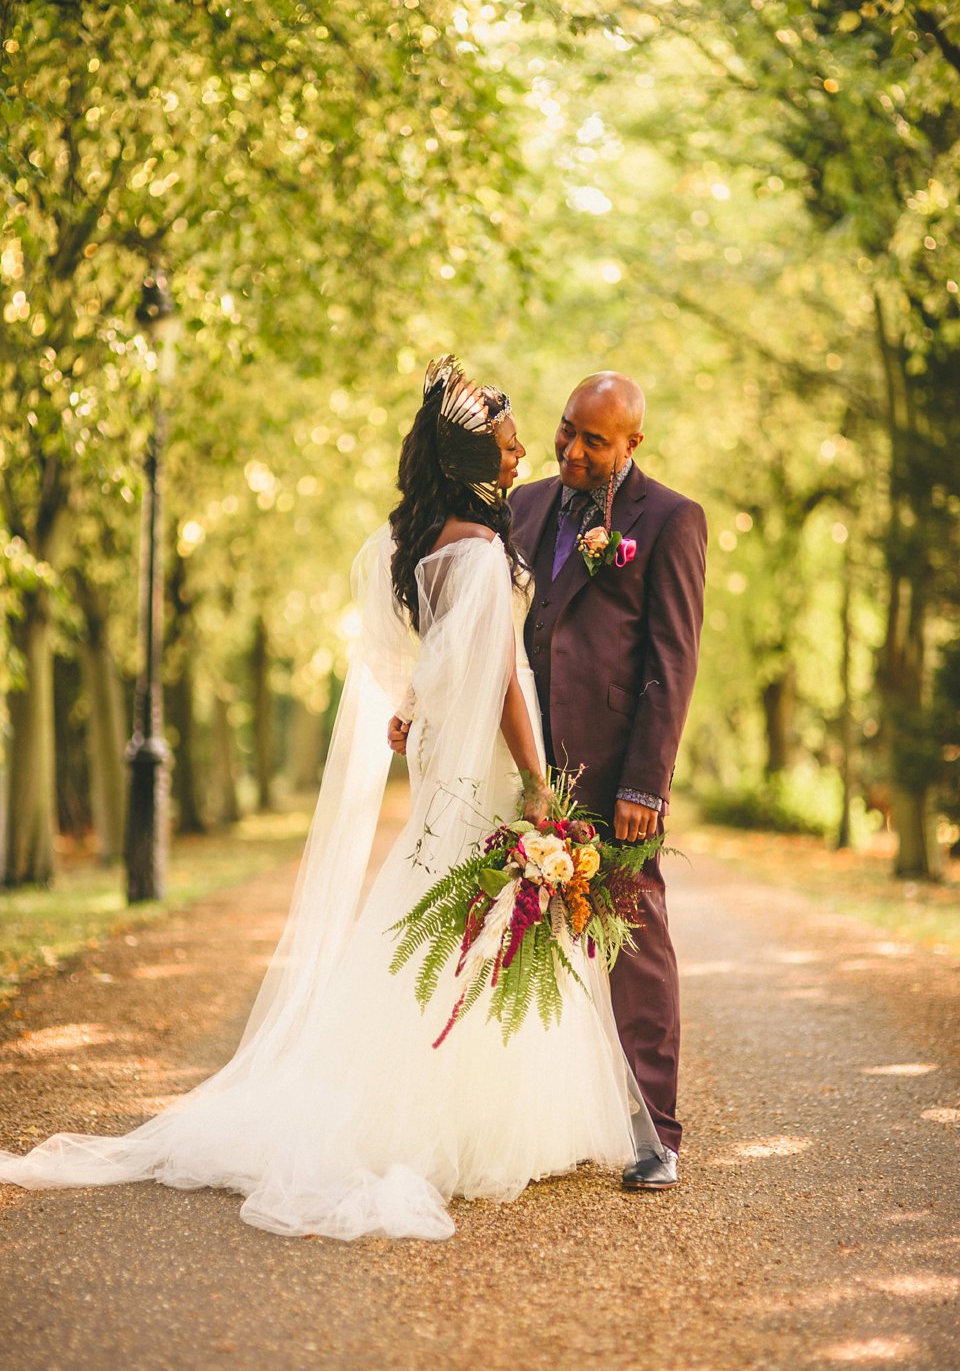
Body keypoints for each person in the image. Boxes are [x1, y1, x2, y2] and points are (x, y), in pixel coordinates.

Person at [0, 357, 662, 1242]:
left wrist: (417, 713)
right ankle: (447, 1121)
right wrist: (539, 784)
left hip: (440, 764)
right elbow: (502, 679)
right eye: (508, 450)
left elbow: (434, 661)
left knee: (441, 926)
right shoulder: (478, 551)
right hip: (487, 768)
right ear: (472, 464)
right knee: (476, 932)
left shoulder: (415, 546)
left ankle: (429, 1103)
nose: (520, 461)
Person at [509, 372, 707, 1191]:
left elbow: (672, 659)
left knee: (633, 940)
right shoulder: (518, 508)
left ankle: (656, 1131)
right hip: (522, 764)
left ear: (632, 446)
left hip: (613, 769)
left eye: (595, 440)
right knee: (512, 934)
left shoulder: (670, 520)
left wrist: (645, 787)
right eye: (567, 431)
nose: (573, 450)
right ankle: (521, 1122)